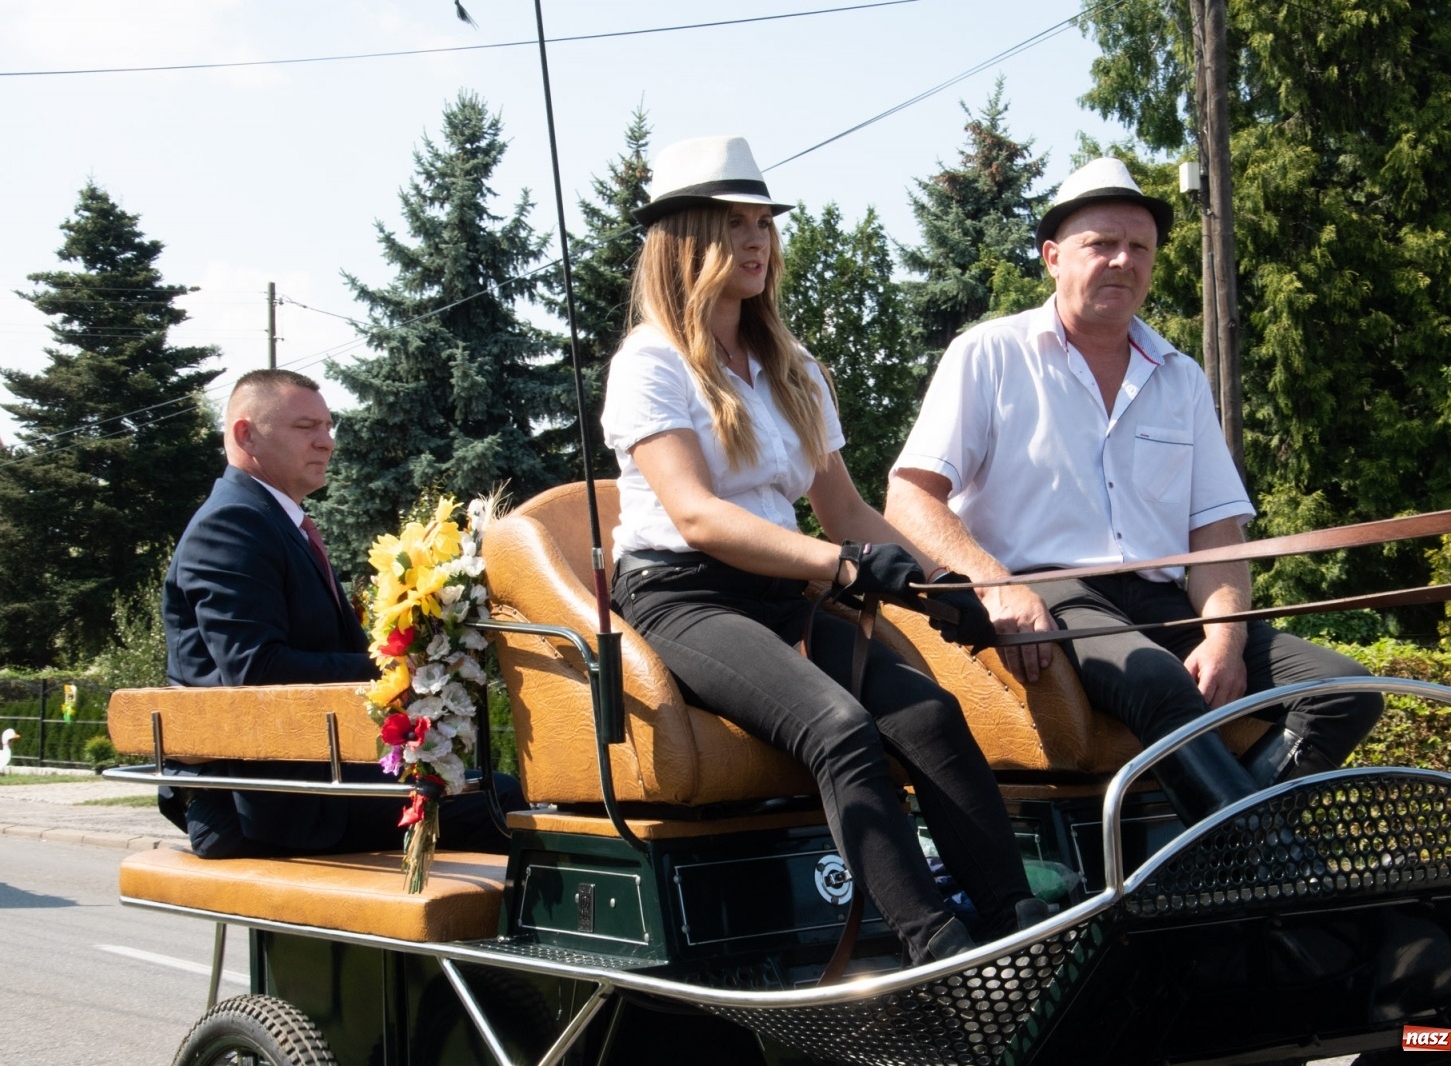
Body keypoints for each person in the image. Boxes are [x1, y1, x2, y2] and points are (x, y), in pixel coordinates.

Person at [603, 135, 1042, 965]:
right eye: (733, 224)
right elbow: (697, 517)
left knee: (931, 714)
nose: (757, 240)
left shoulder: (790, 364)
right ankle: (937, 956)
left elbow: (843, 508)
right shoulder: (649, 363)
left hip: (785, 590)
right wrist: (841, 568)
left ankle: (1019, 928)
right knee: (840, 730)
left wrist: (947, 589)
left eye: (764, 222)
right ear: (684, 240)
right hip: (686, 597)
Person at [886, 157, 1382, 825]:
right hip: (1052, 593)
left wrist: (1225, 639)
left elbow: (1215, 535)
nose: (1122, 260)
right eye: (1101, 245)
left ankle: (1217, 859)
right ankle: (1261, 865)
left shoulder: (1181, 378)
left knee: (1347, 690)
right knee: (1152, 679)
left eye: (1138, 247)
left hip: (1164, 601)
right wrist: (994, 584)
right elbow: (909, 496)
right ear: (1053, 257)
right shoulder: (990, 354)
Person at [161, 368, 522, 857]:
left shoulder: (271, 521)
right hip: (269, 802)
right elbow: (256, 668)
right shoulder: (232, 524)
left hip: (307, 781)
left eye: (328, 427)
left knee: (501, 790)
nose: (326, 442)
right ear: (246, 434)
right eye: (305, 428)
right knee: (510, 802)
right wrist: (404, 668)